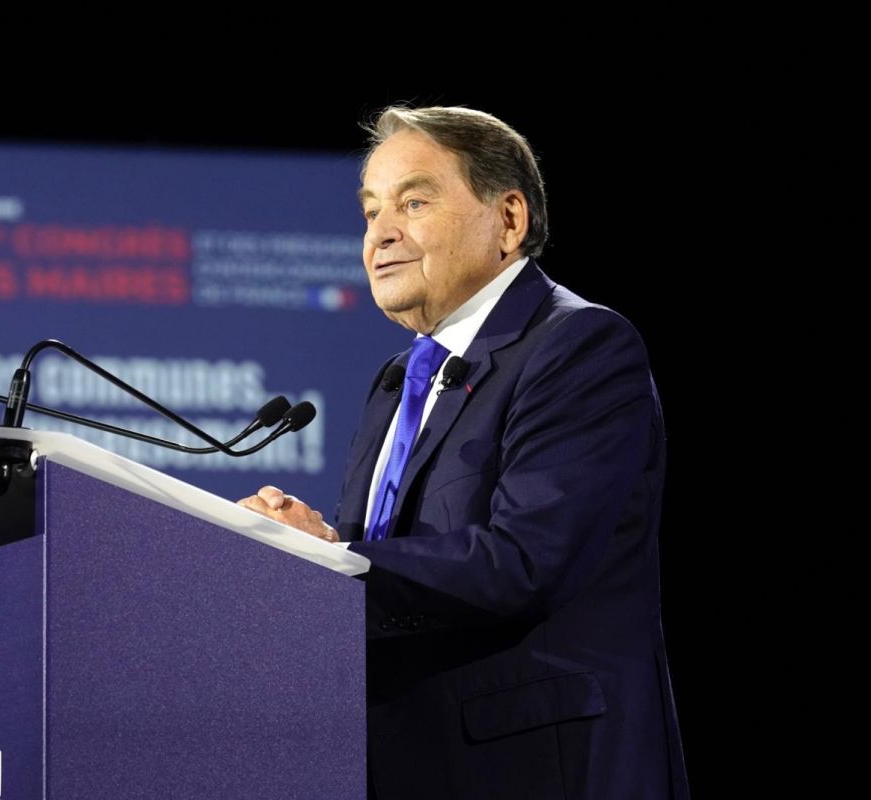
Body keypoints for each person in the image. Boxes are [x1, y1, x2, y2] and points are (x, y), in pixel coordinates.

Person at [239, 106, 689, 799]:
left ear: (507, 221)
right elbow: (383, 568)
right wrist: (303, 549)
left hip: (538, 768)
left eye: (413, 202)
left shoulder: (579, 347)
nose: (380, 233)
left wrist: (325, 557)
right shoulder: (398, 379)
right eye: (369, 212)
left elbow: (525, 559)